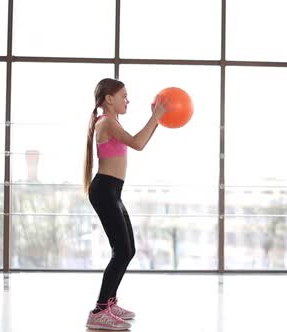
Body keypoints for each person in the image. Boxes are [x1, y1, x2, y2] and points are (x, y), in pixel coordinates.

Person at [83, 78, 166, 330]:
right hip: (105, 190)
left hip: (112, 191)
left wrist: (158, 119)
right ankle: (99, 311)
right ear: (109, 99)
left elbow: (140, 141)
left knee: (127, 250)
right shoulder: (107, 122)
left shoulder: (112, 122)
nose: (127, 100)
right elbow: (138, 143)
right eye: (124, 96)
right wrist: (157, 116)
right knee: (122, 252)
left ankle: (109, 302)